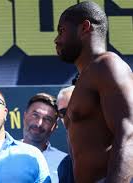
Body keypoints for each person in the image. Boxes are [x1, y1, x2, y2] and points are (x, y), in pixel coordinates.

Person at [54, 1, 133, 182]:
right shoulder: (86, 78)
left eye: (61, 31)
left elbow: (129, 132)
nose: (57, 39)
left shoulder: (107, 65)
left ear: (84, 27)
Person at [23, 92, 67, 183]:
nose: (39, 124)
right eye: (35, 115)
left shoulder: (65, 162)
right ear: (24, 116)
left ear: (54, 126)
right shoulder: (3, 154)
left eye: (47, 119)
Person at [56, 86, 75, 183]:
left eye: (73, 109)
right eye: (63, 113)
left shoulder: (116, 149)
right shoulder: (65, 165)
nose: (69, 116)